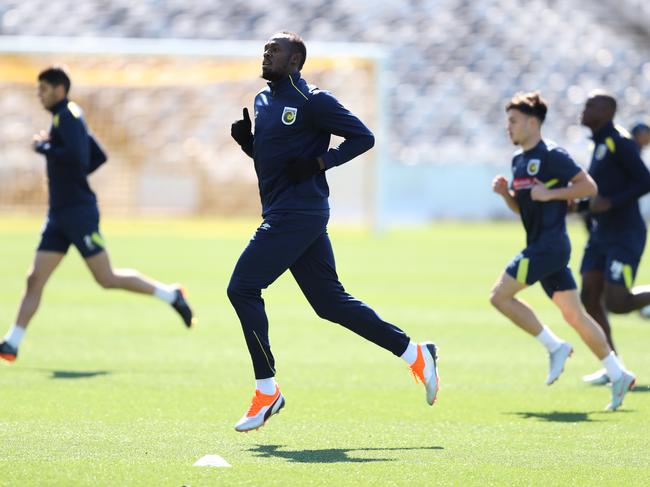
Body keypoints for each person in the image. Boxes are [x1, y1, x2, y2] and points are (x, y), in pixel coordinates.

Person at [228, 31, 439, 432]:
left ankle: (267, 390)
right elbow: (276, 160)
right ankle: (415, 353)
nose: (266, 53)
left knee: (241, 287)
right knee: (329, 303)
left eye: (276, 50)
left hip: (298, 213)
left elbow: (364, 137)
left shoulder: (314, 101)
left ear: (295, 62)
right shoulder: (263, 101)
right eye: (265, 48)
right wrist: (248, 146)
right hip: (287, 211)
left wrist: (322, 162)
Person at [0, 67, 194, 364]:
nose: (39, 94)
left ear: (60, 90)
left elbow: (78, 157)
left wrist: (45, 147)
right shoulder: (62, 117)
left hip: (78, 214)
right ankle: (12, 343)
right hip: (59, 214)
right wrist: (65, 171)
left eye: (44, 89)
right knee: (34, 277)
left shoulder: (68, 116)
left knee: (106, 278)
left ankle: (171, 295)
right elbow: (97, 156)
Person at [490, 91, 635, 411]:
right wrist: (506, 195)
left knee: (499, 296)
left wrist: (552, 192)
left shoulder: (552, 154)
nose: (508, 126)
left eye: (513, 121)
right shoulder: (518, 160)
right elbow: (523, 208)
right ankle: (618, 372)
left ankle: (554, 346)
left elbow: (589, 187)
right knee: (575, 314)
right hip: (541, 246)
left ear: (532, 122)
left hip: (549, 247)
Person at [577, 93, 650, 385]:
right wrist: (576, 205)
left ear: (607, 111)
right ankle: (615, 369)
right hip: (600, 235)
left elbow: (646, 180)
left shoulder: (619, 142)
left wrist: (613, 202)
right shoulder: (599, 145)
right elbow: (599, 194)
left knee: (617, 302)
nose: (584, 109)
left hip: (625, 234)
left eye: (590, 105)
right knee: (588, 296)